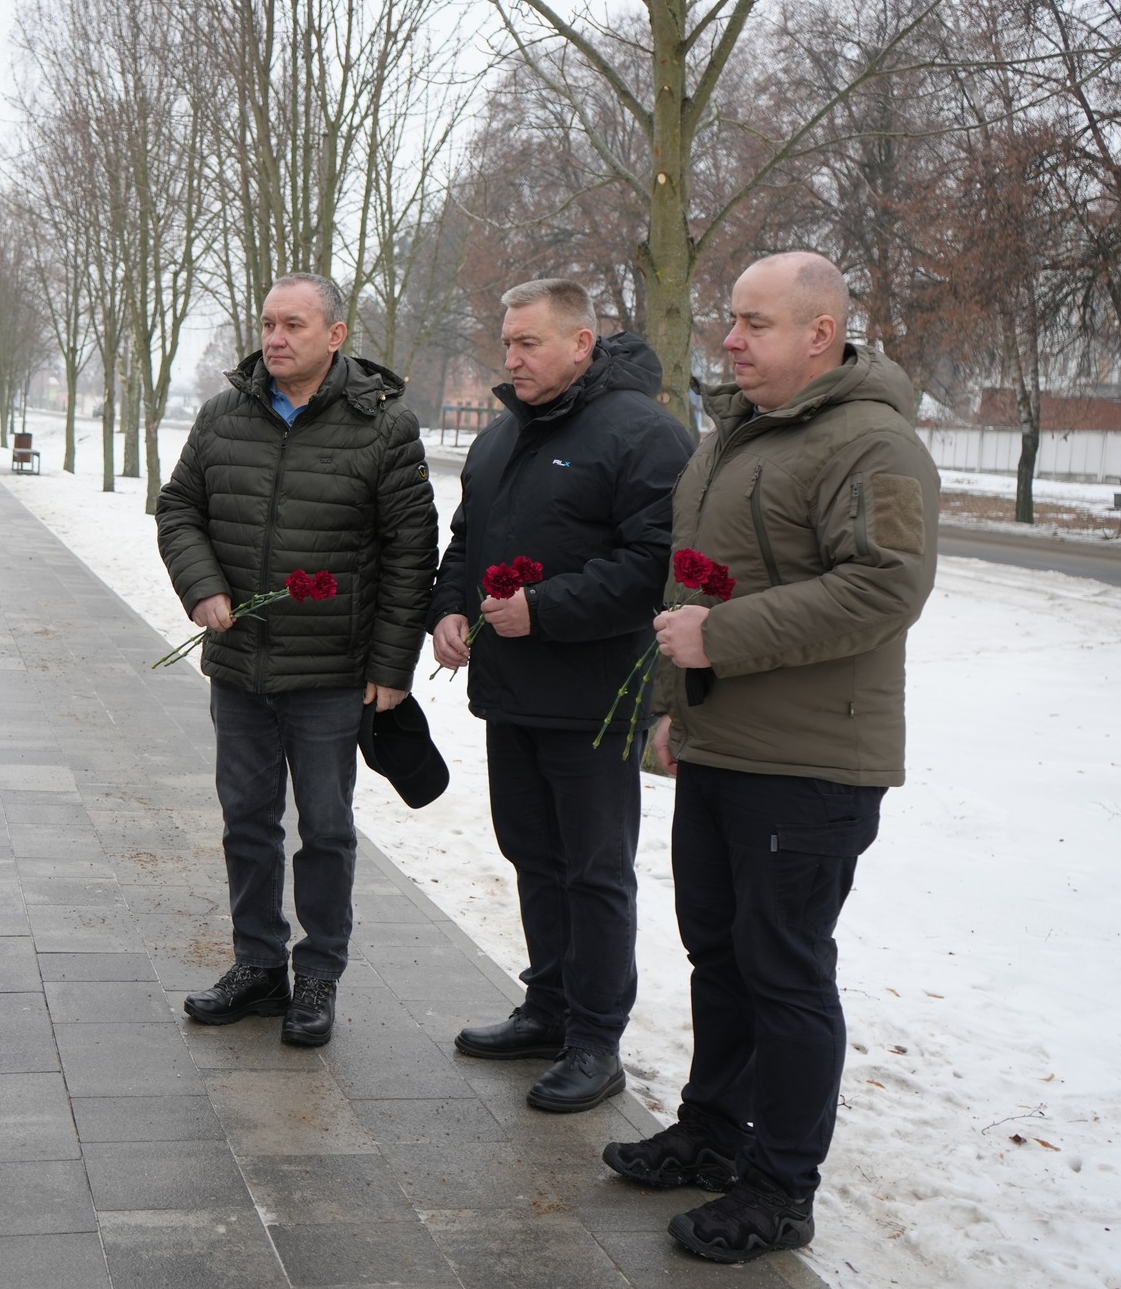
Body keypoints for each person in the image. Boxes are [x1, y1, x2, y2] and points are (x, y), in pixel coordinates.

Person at [604, 252, 939, 1264]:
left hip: (810, 762)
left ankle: (780, 1188)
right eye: (731, 320)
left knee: (784, 973)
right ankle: (712, 1132)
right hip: (723, 747)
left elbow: (884, 586)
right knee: (720, 955)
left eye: (754, 323)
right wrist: (676, 709)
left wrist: (720, 641)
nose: (731, 340)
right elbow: (691, 585)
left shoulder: (873, 443)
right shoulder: (735, 435)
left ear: (820, 334)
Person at [431, 280, 692, 1112]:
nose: (510, 359)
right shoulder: (501, 435)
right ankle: (548, 1006)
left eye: (529, 344)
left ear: (582, 344)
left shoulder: (644, 434)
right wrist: (448, 608)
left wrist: (543, 609)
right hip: (511, 694)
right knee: (531, 855)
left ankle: (596, 1038)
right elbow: (466, 541)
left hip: (594, 698)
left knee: (594, 871)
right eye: (506, 342)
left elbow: (655, 563)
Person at [157, 273, 437, 1047]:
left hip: (332, 673)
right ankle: (258, 964)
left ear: (336, 335)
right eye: (268, 323)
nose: (275, 338)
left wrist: (391, 667)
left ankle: (318, 973)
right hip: (241, 667)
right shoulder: (224, 415)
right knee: (247, 820)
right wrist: (202, 587)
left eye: (294, 325)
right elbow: (179, 508)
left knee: (326, 827)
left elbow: (411, 552)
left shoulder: (384, 427)